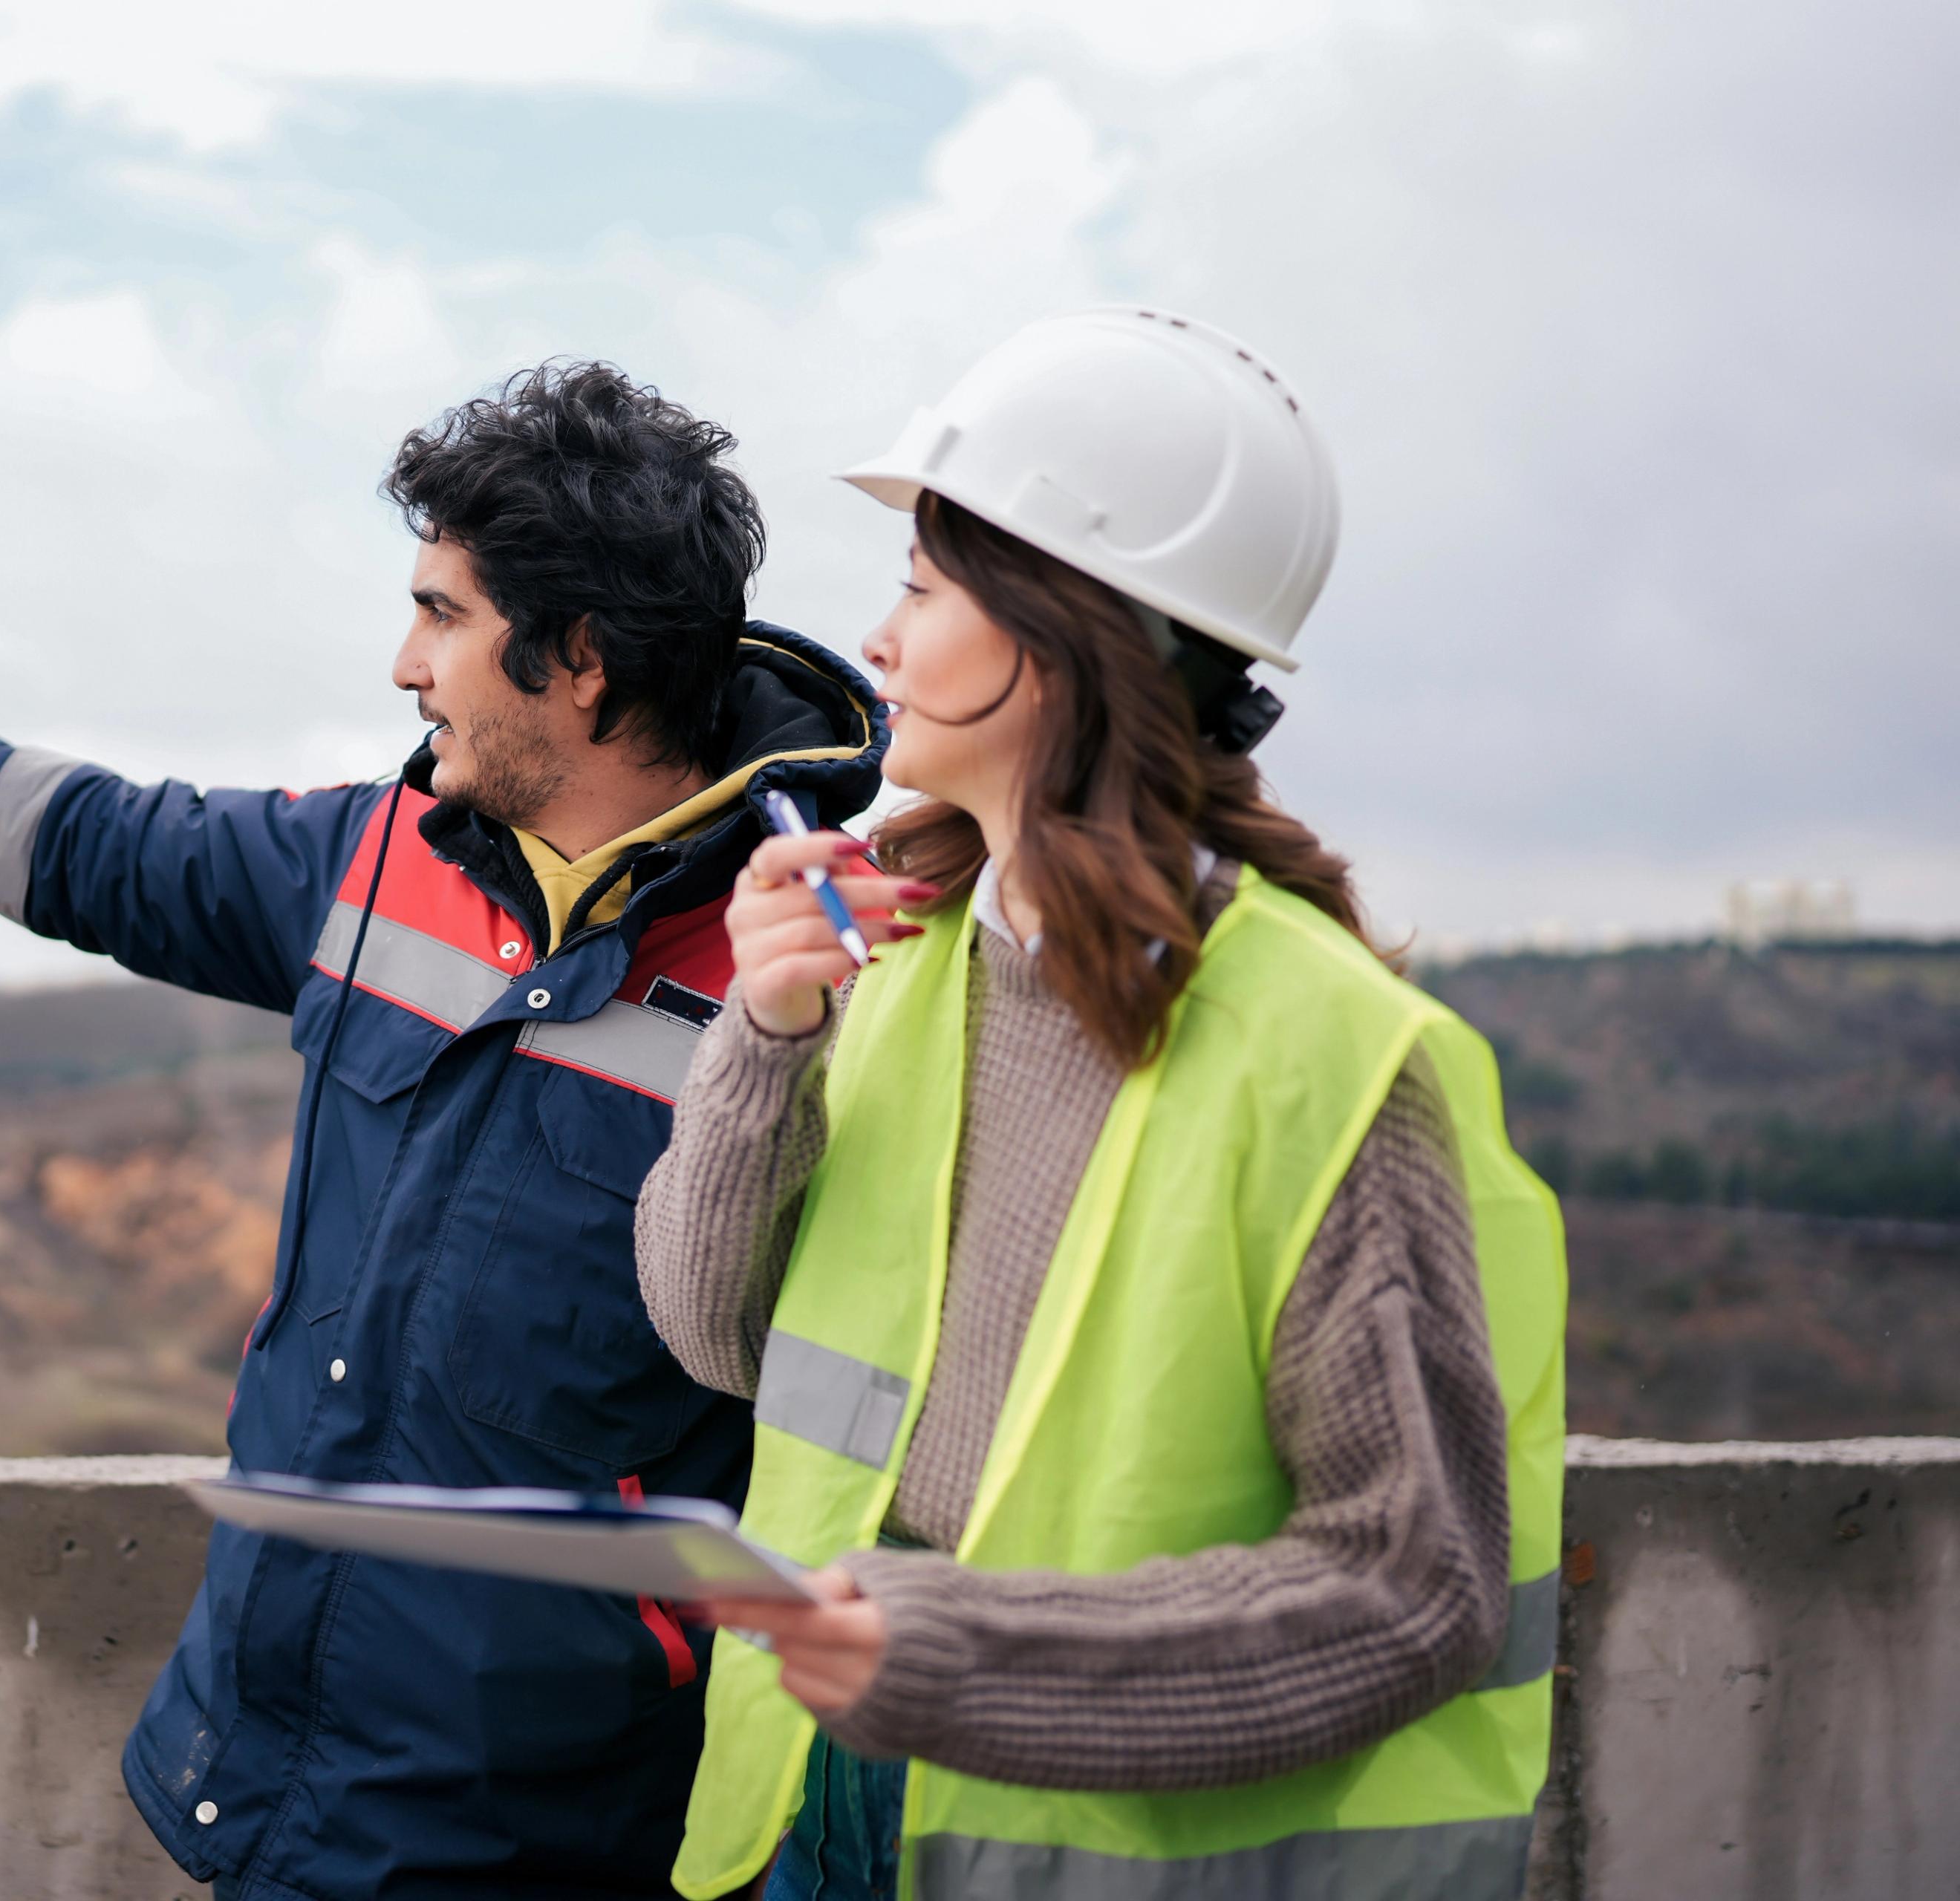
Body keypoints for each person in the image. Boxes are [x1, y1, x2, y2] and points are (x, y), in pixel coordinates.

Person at [0, 361, 888, 1899]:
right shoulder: (379, 859)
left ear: (582, 662)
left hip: (548, 1825)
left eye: (443, 614)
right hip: (262, 1766)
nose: (404, 663)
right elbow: (97, 841)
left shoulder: (806, 989)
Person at [636, 309, 1567, 1901]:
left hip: (1090, 1842)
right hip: (815, 1801)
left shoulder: (1326, 1049)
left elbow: (1414, 1583)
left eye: (922, 591)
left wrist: (960, 1653)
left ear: (1056, 632)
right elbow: (717, 1338)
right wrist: (767, 1037)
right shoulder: (908, 951)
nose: (877, 639)